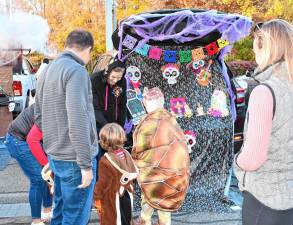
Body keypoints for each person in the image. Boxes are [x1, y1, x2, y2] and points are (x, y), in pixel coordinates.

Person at [35, 29, 99, 225]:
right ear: (88, 49)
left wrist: (55, 140)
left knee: (60, 213)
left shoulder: (48, 69)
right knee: (75, 218)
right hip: (75, 159)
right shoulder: (76, 71)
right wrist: (86, 166)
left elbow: (38, 116)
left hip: (56, 155)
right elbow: (78, 120)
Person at [234, 19, 293, 225]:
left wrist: (236, 161)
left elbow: (252, 159)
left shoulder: (265, 91)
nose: (255, 56)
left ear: (266, 49)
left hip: (264, 199)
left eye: (255, 50)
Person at [132, 87, 190, 225]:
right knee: (165, 199)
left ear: (146, 104)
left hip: (153, 170)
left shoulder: (147, 122)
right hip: (174, 170)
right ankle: (163, 222)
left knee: (149, 196)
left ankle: (144, 221)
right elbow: (180, 145)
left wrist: (137, 162)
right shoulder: (171, 120)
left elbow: (140, 149)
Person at [4, 104, 52, 225]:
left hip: (26, 138)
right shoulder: (50, 110)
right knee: (38, 178)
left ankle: (47, 211)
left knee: (46, 175)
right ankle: (36, 221)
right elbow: (32, 139)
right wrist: (47, 164)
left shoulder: (55, 103)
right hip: (18, 140)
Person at [93, 123, 138, 225]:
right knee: (126, 218)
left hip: (112, 196)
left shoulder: (105, 160)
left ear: (104, 141)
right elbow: (133, 173)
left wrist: (96, 195)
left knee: (112, 219)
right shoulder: (126, 154)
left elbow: (103, 182)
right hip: (127, 192)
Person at [91, 59, 127, 179]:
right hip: (99, 125)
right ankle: (98, 184)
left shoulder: (122, 82)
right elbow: (94, 108)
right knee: (100, 155)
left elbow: (122, 105)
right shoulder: (95, 80)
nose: (115, 80)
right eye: (113, 77)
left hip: (114, 125)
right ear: (108, 72)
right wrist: (107, 127)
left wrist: (119, 127)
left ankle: (111, 182)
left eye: (118, 78)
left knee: (114, 156)